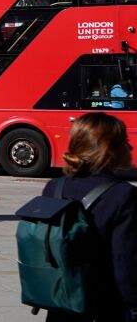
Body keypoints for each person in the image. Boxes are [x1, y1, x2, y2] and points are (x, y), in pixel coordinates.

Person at [38, 112, 136, 321]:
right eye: (125, 141)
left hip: (61, 306)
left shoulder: (55, 187)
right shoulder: (123, 195)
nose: (131, 147)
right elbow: (125, 264)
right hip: (105, 307)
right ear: (108, 149)